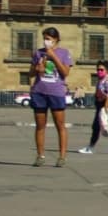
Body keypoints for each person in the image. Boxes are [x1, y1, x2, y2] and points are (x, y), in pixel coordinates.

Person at [30, 26, 73, 167]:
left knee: (60, 125)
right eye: (44, 38)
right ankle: (40, 155)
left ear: (55, 40)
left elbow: (65, 72)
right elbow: (31, 73)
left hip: (56, 92)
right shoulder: (38, 53)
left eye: (48, 39)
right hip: (39, 91)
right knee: (40, 126)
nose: (45, 41)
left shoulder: (64, 53)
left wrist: (53, 56)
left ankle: (62, 157)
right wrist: (37, 68)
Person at [78, 60, 108, 155]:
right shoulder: (101, 80)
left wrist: (105, 108)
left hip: (107, 107)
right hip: (100, 106)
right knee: (96, 127)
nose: (99, 71)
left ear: (107, 71)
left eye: (101, 69)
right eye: (98, 69)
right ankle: (90, 147)